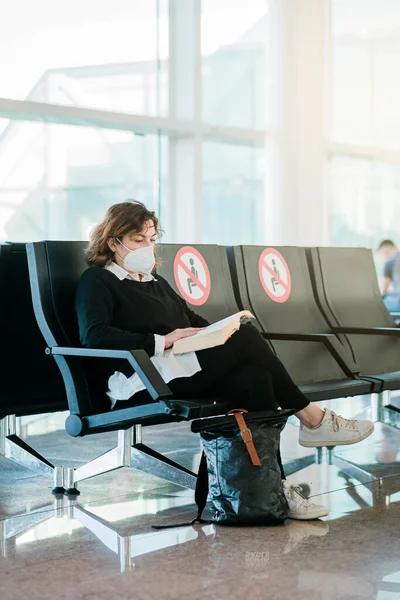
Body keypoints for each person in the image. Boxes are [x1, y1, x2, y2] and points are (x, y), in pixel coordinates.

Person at [76, 201, 375, 521]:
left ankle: (274, 489)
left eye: (151, 239)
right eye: (139, 239)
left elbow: (191, 320)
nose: (148, 247)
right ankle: (314, 420)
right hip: (144, 377)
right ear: (113, 242)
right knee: (247, 336)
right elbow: (93, 335)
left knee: (256, 378)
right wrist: (164, 340)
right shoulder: (97, 281)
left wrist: (217, 334)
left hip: (181, 367)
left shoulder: (156, 283)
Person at [377, 239, 400, 312]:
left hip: (398, 302)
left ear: (385, 251)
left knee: (375, 305)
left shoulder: (389, 262)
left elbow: (383, 289)